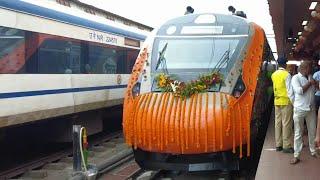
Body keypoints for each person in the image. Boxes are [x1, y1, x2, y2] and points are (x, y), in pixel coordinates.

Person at [290, 61, 319, 165]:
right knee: (298, 133)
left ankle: (313, 151)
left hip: (311, 109)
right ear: (304, 68)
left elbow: (318, 89)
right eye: (309, 68)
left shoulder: (310, 77)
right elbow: (299, 91)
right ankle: (296, 155)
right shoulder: (295, 78)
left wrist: (315, 83)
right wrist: (309, 83)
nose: (311, 70)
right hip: (299, 109)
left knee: (312, 131)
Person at [271, 57, 294, 153]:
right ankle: (287, 146)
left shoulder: (273, 74)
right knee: (286, 123)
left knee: (278, 123)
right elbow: (289, 90)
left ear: (278, 64)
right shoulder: (287, 75)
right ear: (285, 64)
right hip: (286, 101)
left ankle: (278, 145)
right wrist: (294, 102)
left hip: (277, 101)